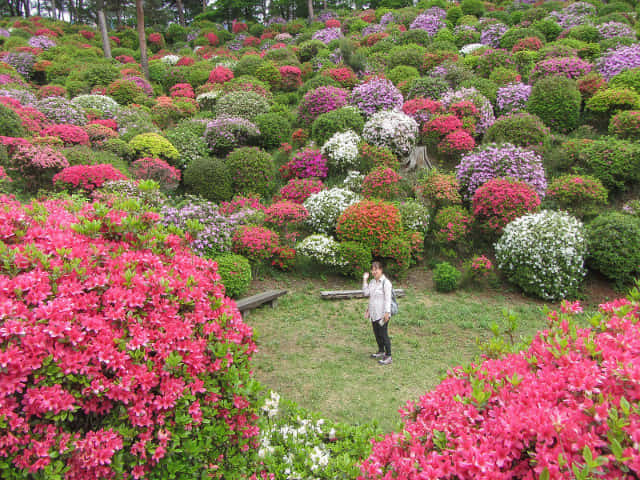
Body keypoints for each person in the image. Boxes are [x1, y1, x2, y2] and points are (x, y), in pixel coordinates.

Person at [363, 261, 392, 365]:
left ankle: (388, 356)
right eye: (373, 269)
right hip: (374, 313)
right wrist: (365, 280)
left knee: (383, 334)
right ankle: (381, 351)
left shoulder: (386, 283)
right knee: (377, 333)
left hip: (383, 314)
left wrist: (387, 313)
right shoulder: (372, 282)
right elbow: (366, 293)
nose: (374, 271)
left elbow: (388, 299)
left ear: (381, 270)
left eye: (376, 269)